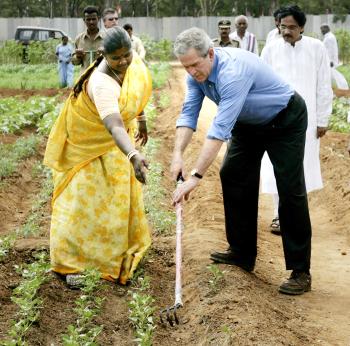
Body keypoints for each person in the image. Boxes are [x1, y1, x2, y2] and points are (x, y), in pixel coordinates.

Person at [171, 27, 312, 295]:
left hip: (285, 120)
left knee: (289, 188)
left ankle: (300, 271)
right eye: (186, 67)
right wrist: (177, 154)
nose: (191, 72)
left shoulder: (232, 73)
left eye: (195, 65)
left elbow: (219, 129)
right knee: (233, 173)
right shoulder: (194, 75)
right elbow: (189, 113)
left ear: (210, 54)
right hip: (248, 125)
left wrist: (195, 177)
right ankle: (241, 252)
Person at [44, 27, 152, 287]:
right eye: (117, 58)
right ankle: (74, 263)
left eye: (127, 55)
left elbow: (135, 93)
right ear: (104, 54)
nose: (124, 62)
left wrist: (141, 118)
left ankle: (110, 254)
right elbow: (114, 125)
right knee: (84, 205)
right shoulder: (102, 83)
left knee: (113, 203)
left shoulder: (130, 61)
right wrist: (133, 154)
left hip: (115, 147)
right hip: (88, 146)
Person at [260, 6, 333, 236]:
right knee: (276, 166)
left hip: (307, 121)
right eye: (283, 26)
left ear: (302, 27)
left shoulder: (317, 48)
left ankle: (297, 213)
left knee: (302, 166)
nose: (286, 31)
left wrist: (322, 119)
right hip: (277, 119)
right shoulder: (271, 49)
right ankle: (278, 215)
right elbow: (261, 84)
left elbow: (323, 86)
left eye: (292, 27)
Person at [72, 6, 105, 72]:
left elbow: (114, 59)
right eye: (88, 19)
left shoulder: (108, 37)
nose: (91, 22)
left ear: (98, 19)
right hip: (85, 79)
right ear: (84, 20)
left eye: (93, 19)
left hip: (102, 77)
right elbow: (74, 62)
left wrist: (106, 54)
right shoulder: (79, 39)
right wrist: (78, 56)